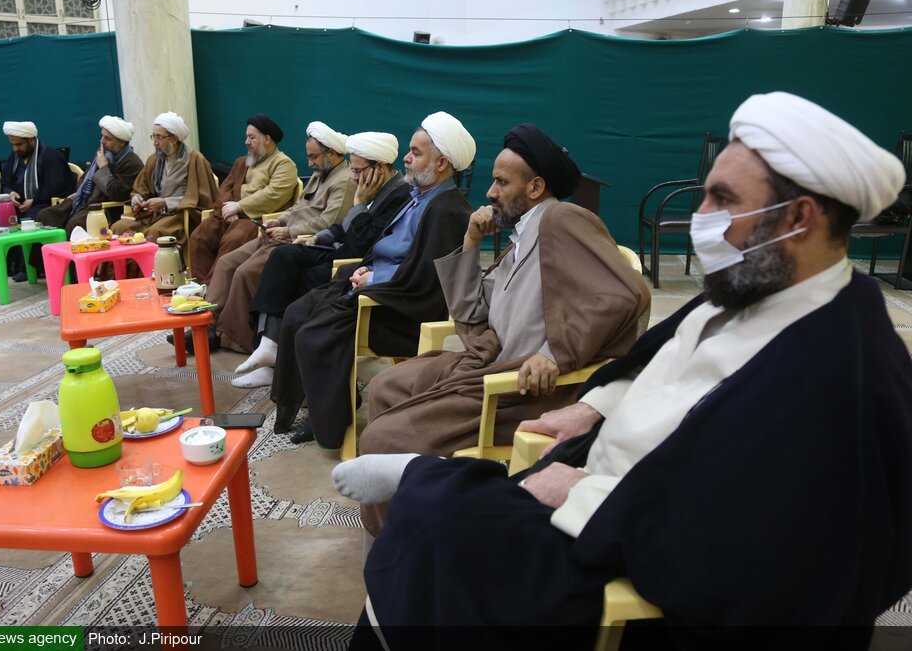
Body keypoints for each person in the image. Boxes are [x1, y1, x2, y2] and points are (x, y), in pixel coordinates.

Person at [332, 93, 912, 647]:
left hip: (620, 541)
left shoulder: (847, 374)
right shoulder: (755, 286)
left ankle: (428, 480)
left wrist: (589, 493)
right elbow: (656, 357)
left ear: (798, 218)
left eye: (723, 200)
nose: (700, 219)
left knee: (434, 541)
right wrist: (593, 406)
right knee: (433, 522)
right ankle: (432, 483)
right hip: (595, 473)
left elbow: (759, 549)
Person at [357, 123, 652, 534]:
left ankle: (402, 547)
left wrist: (554, 354)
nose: (491, 192)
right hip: (489, 362)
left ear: (535, 188)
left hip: (519, 391)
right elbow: (473, 312)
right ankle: (405, 519)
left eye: (501, 182)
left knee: (380, 440)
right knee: (385, 387)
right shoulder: (523, 235)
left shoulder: (561, 219)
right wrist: (471, 241)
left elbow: (625, 294)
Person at [271, 112, 475, 446]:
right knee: (296, 312)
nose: (406, 159)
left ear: (441, 164)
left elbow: (426, 277)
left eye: (416, 152)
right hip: (384, 289)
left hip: (399, 311)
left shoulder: (448, 209)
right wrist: (367, 270)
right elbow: (391, 251)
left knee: (313, 334)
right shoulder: (420, 196)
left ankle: (335, 420)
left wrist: (375, 279)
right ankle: (322, 405)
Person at [230, 131, 412, 388]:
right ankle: (267, 344)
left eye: (358, 171)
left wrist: (360, 203)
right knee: (282, 256)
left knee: (300, 276)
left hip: (353, 262)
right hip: (338, 249)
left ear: (379, 168)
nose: (354, 177)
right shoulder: (374, 187)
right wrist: (318, 237)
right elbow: (344, 228)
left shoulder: (399, 196)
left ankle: (278, 364)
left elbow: (363, 243)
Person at [174, 121, 355, 354]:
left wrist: (288, 231)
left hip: (299, 241)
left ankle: (231, 337)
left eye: (314, 157)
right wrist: (278, 221)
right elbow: (298, 207)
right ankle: (206, 324)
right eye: (309, 157)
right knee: (226, 262)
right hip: (278, 233)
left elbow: (329, 223)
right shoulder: (320, 173)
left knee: (244, 272)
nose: (310, 163)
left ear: (332, 153)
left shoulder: (344, 181)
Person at [188, 114, 299, 285]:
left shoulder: (284, 164)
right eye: (247, 137)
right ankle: (199, 286)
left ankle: (212, 290)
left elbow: (273, 195)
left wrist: (239, 206)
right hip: (229, 216)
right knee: (200, 236)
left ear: (267, 139)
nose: (246, 142)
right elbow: (225, 188)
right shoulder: (242, 162)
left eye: (251, 137)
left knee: (233, 239)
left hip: (256, 220)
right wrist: (228, 209)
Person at [108, 111, 218, 251]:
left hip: (180, 217)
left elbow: (203, 199)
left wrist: (166, 203)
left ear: (174, 139)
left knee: (154, 233)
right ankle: (123, 266)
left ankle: (149, 266)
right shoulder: (154, 160)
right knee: (119, 228)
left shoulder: (195, 159)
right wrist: (138, 198)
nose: (155, 142)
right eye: (153, 136)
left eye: (159, 137)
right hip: (152, 216)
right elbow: (141, 189)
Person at [36, 116, 144, 237]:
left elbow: (117, 193)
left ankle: (69, 250)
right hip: (86, 201)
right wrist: (80, 193)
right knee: (46, 215)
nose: (102, 141)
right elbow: (83, 181)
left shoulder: (131, 163)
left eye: (108, 138)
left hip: (107, 209)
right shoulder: (104, 154)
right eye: (102, 136)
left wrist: (103, 168)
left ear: (122, 142)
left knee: (76, 224)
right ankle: (49, 249)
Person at [0, 121, 73, 281]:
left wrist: (34, 200)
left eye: (19, 144)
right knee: (1, 215)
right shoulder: (14, 157)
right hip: (20, 203)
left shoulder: (50, 156)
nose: (15, 149)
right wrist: (11, 193)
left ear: (31, 140)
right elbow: (6, 182)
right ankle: (3, 265)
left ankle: (27, 267)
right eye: (13, 145)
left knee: (30, 218)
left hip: (43, 203)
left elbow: (57, 187)